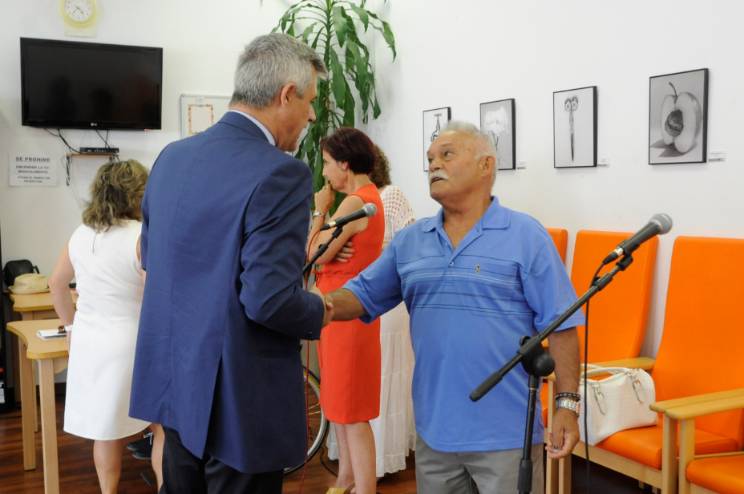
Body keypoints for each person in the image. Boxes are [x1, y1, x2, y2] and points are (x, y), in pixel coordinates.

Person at [325, 122, 583, 493]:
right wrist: (318, 305)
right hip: (435, 436)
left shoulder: (526, 236)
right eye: (430, 158)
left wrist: (567, 406)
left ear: (486, 166)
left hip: (506, 436)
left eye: (447, 155)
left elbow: (561, 326)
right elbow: (361, 294)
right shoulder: (411, 242)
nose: (434, 164)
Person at [128, 33, 330, 493]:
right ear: (286, 95)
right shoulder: (282, 172)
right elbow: (268, 301)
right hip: (241, 397)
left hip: (177, 385)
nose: (312, 116)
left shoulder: (172, 158)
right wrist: (320, 308)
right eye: (311, 102)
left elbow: (150, 260)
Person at [49, 159, 164, 493]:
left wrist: (71, 329)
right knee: (161, 425)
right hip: (132, 342)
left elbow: (56, 283)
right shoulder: (140, 237)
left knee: (106, 431)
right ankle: (165, 487)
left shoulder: (81, 234)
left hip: (90, 343)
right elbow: (157, 292)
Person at [307, 127, 385, 494]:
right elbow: (324, 253)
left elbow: (313, 252)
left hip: (347, 314)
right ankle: (346, 480)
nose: (324, 172)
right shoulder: (363, 199)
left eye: (326, 163)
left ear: (345, 163)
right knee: (339, 405)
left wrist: (319, 210)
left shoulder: (356, 201)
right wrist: (328, 250)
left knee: (351, 412)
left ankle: (363, 487)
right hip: (337, 313)